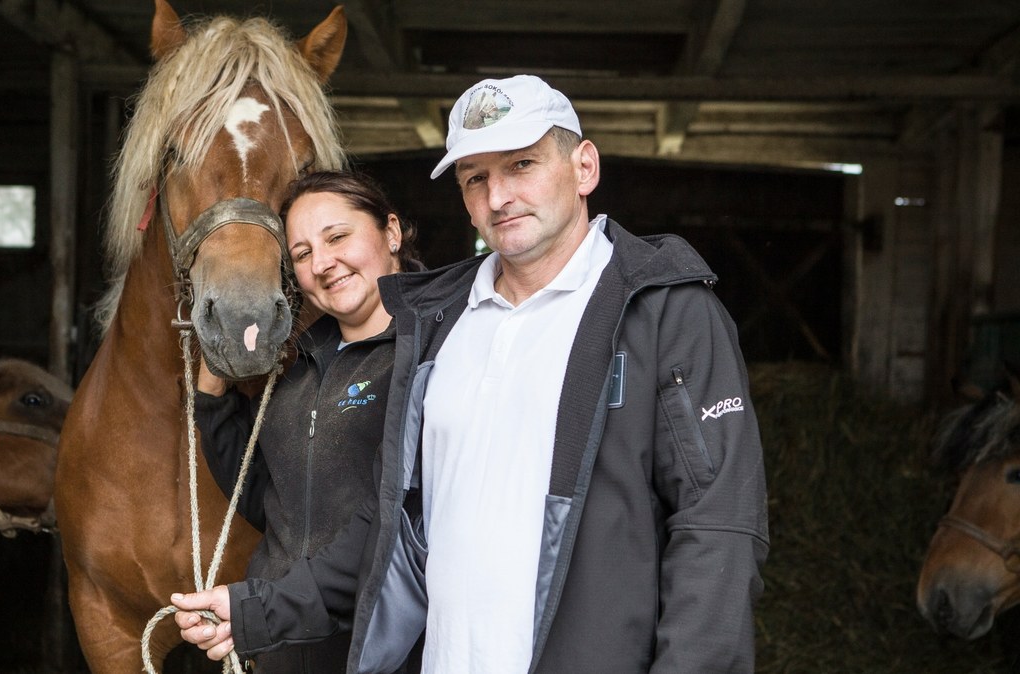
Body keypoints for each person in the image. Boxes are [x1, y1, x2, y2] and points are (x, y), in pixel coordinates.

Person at [173, 74, 770, 673]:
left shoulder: (665, 310)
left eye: (522, 165)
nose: (499, 197)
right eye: (476, 178)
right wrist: (257, 609)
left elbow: (717, 527)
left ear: (584, 167)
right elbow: (391, 526)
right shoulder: (437, 323)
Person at [191, 170, 421, 674]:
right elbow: (266, 499)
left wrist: (263, 611)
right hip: (280, 646)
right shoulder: (297, 368)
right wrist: (210, 394)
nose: (323, 263)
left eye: (337, 237)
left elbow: (395, 522)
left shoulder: (428, 358)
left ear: (392, 232)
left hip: (374, 651)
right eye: (301, 254)